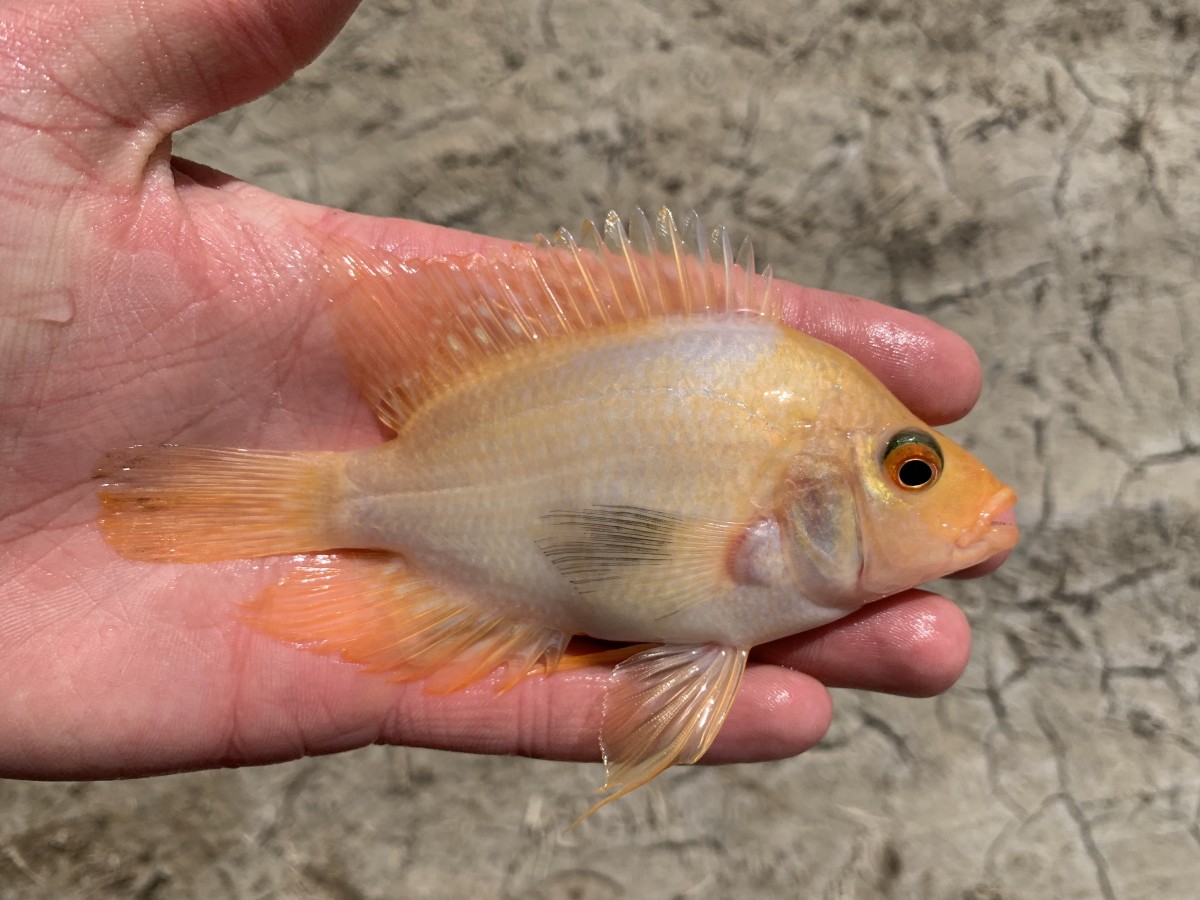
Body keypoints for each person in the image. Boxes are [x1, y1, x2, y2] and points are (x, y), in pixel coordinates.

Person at [0, 0, 1004, 781]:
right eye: (910, 465)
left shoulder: (785, 440)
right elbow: (622, 550)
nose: (940, 482)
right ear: (811, 491)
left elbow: (628, 557)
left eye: (917, 466)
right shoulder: (778, 462)